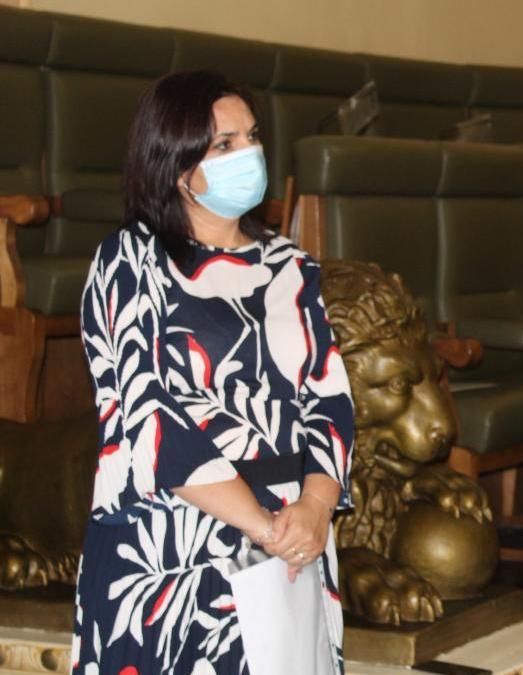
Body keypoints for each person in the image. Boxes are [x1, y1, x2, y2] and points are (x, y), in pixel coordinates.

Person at [73, 70, 355, 674]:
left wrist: (312, 509)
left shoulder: (292, 267)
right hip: (173, 543)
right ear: (175, 164)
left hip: (292, 536)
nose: (248, 153)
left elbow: (329, 400)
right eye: (223, 145)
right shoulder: (131, 259)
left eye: (251, 137)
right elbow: (147, 413)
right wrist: (263, 525)